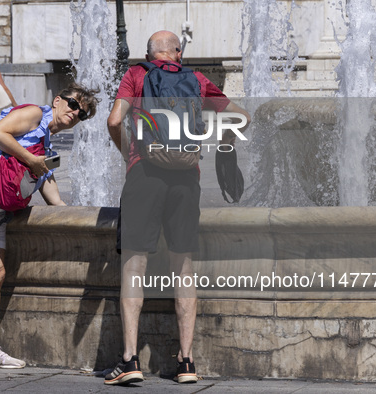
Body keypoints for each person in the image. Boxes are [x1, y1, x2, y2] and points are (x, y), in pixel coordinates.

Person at [105, 30, 251, 385]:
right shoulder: (197, 80)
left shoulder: (137, 75)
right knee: (183, 267)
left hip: (145, 174)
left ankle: (129, 359)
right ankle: (186, 361)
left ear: (150, 54)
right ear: (179, 54)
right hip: (186, 177)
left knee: (133, 267)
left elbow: (112, 121)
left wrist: (129, 154)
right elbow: (241, 117)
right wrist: (225, 148)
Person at [0, 83, 99, 368]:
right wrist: (31, 159)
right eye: (73, 105)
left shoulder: (45, 141)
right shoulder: (35, 113)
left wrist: (69, 214)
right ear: (58, 100)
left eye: (82, 114)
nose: (75, 113)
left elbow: (49, 189)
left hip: (0, 199)